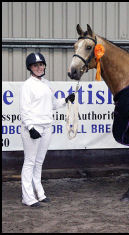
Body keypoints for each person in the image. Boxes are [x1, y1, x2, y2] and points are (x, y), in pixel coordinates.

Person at [20, 52, 75, 208]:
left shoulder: (47, 83)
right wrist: (30, 127)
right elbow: (24, 110)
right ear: (30, 68)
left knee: (39, 162)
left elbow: (53, 104)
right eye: (35, 65)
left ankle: (40, 193)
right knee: (30, 162)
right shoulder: (27, 85)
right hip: (33, 127)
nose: (39, 67)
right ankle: (27, 197)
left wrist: (65, 100)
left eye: (41, 64)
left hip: (46, 126)